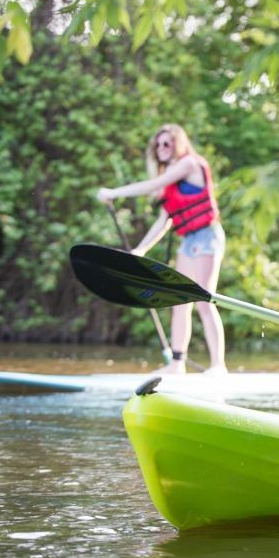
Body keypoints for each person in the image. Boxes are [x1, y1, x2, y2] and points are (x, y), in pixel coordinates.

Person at [95, 124, 227, 375]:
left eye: (167, 143)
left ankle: (218, 366)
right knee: (180, 302)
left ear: (179, 144)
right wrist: (141, 249)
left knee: (204, 301)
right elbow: (163, 221)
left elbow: (151, 184)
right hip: (188, 241)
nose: (162, 148)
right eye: (158, 145)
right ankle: (177, 364)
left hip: (207, 237)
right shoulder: (172, 185)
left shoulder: (189, 165)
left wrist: (114, 193)